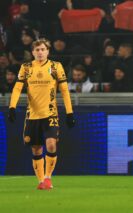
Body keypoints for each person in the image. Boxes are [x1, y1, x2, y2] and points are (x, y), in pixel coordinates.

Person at [8, 38, 75, 190]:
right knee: (36, 149)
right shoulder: (26, 68)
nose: (40, 52)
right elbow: (18, 88)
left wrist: (69, 112)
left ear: (48, 51)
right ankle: (40, 181)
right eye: (37, 50)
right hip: (32, 115)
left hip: (50, 113)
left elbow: (64, 90)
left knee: (51, 144)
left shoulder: (55, 66)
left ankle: (48, 178)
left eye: (42, 49)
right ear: (32, 52)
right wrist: (12, 107)